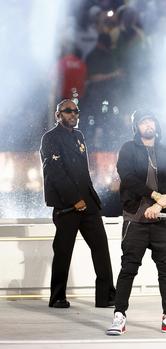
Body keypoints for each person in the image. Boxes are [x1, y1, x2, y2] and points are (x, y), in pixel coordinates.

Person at [106, 110, 166, 335]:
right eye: (143, 122)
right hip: (136, 218)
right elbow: (128, 178)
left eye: (151, 121)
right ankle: (119, 316)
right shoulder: (128, 149)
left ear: (157, 125)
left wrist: (161, 205)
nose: (148, 125)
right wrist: (155, 197)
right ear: (137, 127)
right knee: (128, 268)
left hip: (162, 218)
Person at [40, 98, 116, 308]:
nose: (73, 114)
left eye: (76, 111)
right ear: (58, 115)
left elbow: (82, 171)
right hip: (67, 206)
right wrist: (75, 200)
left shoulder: (79, 136)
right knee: (63, 252)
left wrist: (88, 199)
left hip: (89, 203)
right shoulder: (50, 138)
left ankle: (106, 297)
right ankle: (57, 297)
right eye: (67, 111)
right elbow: (55, 173)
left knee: (101, 248)